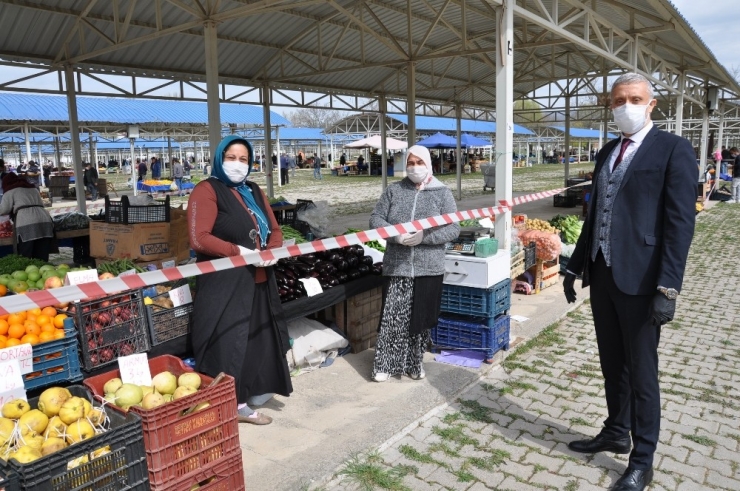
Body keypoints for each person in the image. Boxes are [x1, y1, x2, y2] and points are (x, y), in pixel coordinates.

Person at [562, 73, 697, 491]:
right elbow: (596, 213)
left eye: (635, 98)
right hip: (604, 274)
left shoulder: (674, 149)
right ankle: (615, 430)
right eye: (619, 100)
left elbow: (679, 224)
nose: (626, 106)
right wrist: (575, 265)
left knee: (641, 372)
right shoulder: (607, 152)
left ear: (651, 103)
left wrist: (668, 287)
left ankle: (643, 459)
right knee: (611, 363)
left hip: (642, 280)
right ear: (610, 104)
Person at [188, 135, 292, 425]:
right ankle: (227, 404)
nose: (237, 164)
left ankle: (248, 393)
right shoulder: (206, 190)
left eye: (243, 159)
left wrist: (271, 250)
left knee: (254, 339)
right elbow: (200, 238)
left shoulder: (254, 190)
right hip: (225, 284)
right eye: (231, 158)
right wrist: (239, 252)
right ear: (219, 159)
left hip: (259, 278)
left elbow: (274, 228)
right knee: (228, 341)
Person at [369, 145, 460, 383]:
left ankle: (414, 363)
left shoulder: (442, 193)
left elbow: (454, 227)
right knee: (392, 316)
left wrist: (425, 238)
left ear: (429, 164)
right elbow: (376, 218)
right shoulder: (394, 190)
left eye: (419, 162)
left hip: (428, 267)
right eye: (410, 162)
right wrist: (395, 235)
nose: (414, 167)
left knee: (420, 319)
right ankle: (384, 364)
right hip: (397, 265)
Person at [0, 173, 54, 261]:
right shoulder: (33, 188)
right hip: (44, 219)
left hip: (26, 221)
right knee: (42, 253)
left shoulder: (10, 190)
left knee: (26, 254)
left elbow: (3, 209)